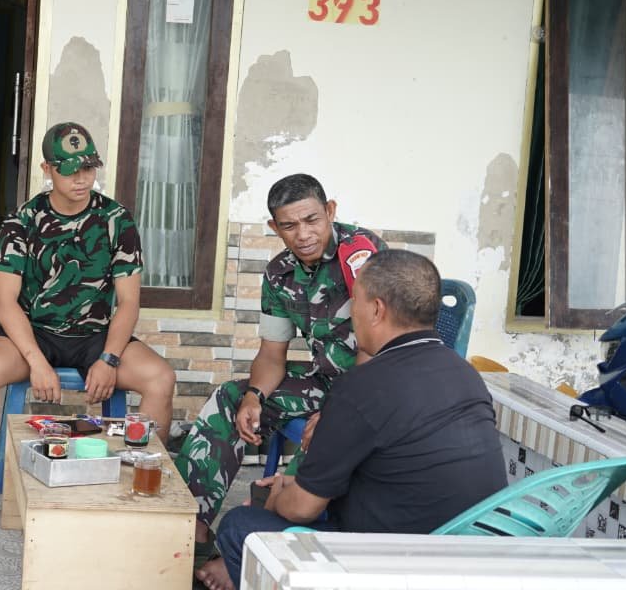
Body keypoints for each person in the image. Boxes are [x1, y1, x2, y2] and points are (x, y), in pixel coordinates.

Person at [206, 250, 508, 590]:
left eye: (355, 301)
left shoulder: (362, 386)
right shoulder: (465, 374)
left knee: (240, 525)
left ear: (376, 309)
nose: (351, 314)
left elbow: (301, 510)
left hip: (394, 564)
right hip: (471, 554)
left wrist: (276, 497)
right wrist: (296, 483)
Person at [0, 122, 175, 529]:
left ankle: (134, 491)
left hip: (96, 335)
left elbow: (128, 301)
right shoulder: (22, 221)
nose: (82, 179)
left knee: (160, 378)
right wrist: (36, 362)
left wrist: (109, 358)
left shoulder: (115, 219)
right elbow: (4, 302)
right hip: (33, 332)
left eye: (88, 168)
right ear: (47, 169)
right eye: (70, 170)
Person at [174, 173, 385, 587]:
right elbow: (272, 355)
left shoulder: (360, 254)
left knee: (324, 447)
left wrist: (337, 411)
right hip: (325, 380)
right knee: (231, 398)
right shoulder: (279, 274)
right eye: (289, 225)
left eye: (312, 220)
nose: (303, 234)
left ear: (330, 211)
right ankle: (190, 529)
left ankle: (252, 555)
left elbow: (378, 348)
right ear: (275, 227)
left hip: (373, 385)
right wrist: (254, 396)